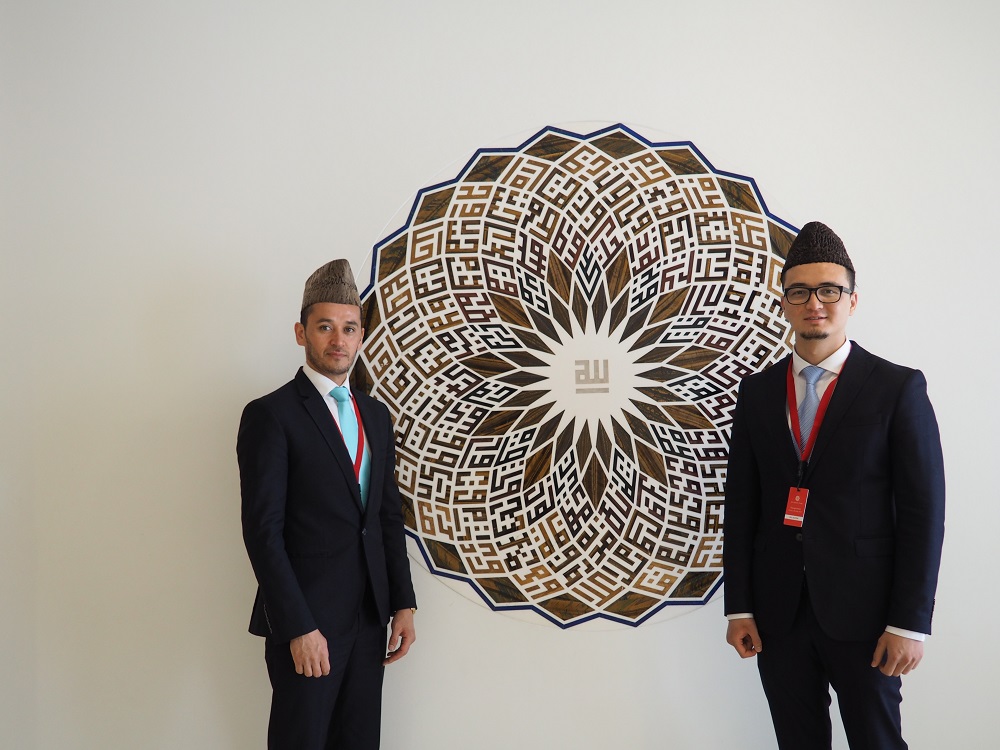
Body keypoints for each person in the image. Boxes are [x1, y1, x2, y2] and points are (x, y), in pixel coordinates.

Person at [722, 221, 945, 749]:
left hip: (868, 618)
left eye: (829, 290)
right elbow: (741, 505)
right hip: (780, 615)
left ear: (852, 299)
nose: (814, 303)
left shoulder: (897, 388)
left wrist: (910, 623)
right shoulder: (755, 394)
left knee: (877, 742)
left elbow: (923, 513)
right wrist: (740, 607)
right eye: (799, 291)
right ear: (784, 302)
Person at [238, 259, 417, 750]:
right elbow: (263, 533)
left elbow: (385, 517)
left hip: (368, 619)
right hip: (308, 625)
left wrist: (402, 602)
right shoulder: (270, 416)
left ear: (361, 335)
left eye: (349, 328)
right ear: (302, 333)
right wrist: (298, 627)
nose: (338, 340)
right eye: (325, 327)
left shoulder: (375, 416)